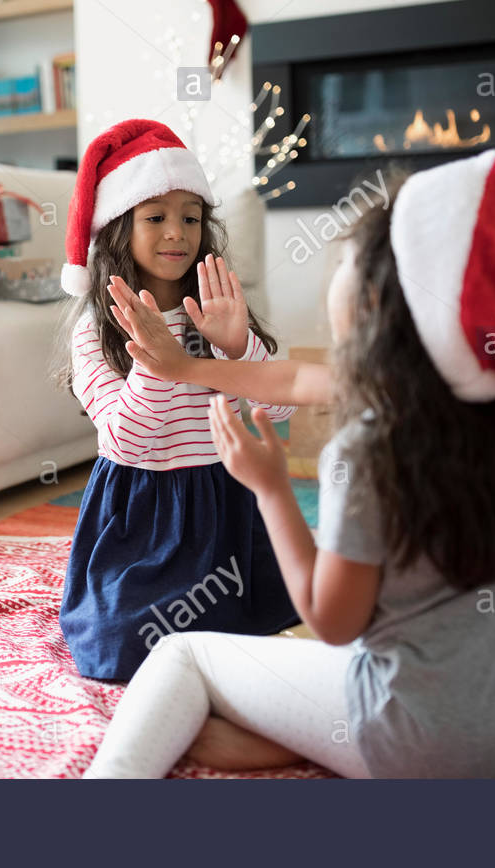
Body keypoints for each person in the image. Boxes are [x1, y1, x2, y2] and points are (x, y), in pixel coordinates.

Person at [86, 149, 495, 777]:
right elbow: (295, 377)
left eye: (345, 260)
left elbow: (333, 623)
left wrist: (273, 490)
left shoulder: (364, 456)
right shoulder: (486, 413)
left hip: (413, 752)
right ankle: (297, 736)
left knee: (180, 656)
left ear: (371, 302)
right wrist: (190, 367)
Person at [54, 118, 299, 683]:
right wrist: (156, 364)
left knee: (247, 629)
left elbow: (279, 410)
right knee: (122, 647)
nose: (177, 233)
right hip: (142, 515)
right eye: (156, 217)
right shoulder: (96, 329)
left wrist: (238, 347)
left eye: (191, 217)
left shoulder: (215, 313)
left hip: (224, 506)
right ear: (119, 227)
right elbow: (124, 439)